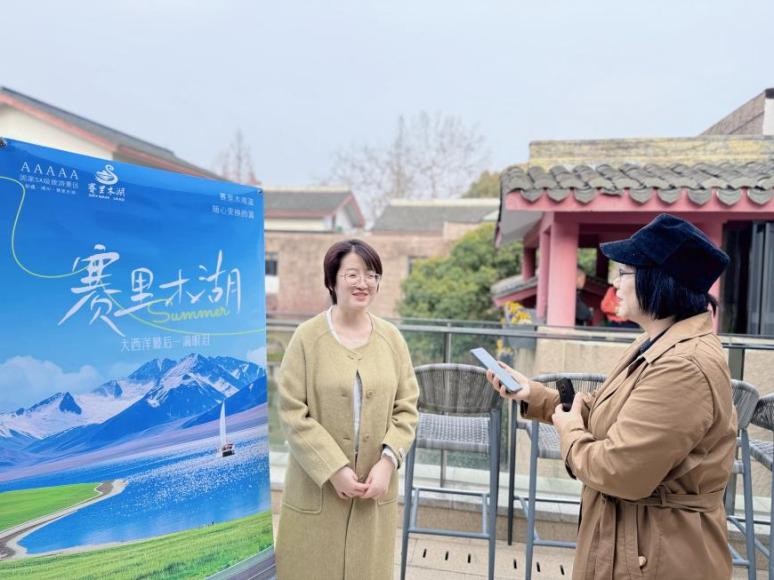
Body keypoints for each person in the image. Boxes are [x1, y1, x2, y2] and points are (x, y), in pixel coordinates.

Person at [487, 214, 736, 580]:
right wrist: (534, 395)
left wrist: (569, 433)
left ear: (659, 280)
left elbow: (620, 470)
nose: (615, 284)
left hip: (656, 555)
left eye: (624, 272)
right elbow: (605, 410)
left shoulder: (683, 366)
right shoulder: (655, 342)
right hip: (633, 544)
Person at [275, 239, 419, 580]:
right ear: (332, 280)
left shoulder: (392, 339)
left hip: (373, 490)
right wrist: (334, 468)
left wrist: (388, 463)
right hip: (317, 489)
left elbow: (407, 408)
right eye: (352, 274)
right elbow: (292, 412)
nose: (363, 283)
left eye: (371, 275)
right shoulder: (306, 338)